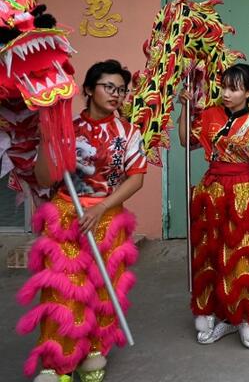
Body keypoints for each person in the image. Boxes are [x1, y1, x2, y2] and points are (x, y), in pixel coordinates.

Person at [18, 59, 146, 382]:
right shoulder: (67, 130)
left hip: (107, 217)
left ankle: (93, 353)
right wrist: (49, 140)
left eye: (121, 90)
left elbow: (136, 178)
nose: (116, 95)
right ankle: (57, 361)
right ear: (88, 90)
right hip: (66, 217)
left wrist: (102, 209)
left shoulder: (129, 133)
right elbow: (45, 179)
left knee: (104, 290)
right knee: (63, 291)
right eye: (109, 87)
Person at [178, 63, 249, 349]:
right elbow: (186, 142)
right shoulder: (208, 116)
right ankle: (213, 310)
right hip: (212, 191)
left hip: (244, 191)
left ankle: (245, 316)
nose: (227, 94)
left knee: (243, 253)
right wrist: (184, 109)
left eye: (234, 88)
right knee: (210, 252)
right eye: (224, 87)